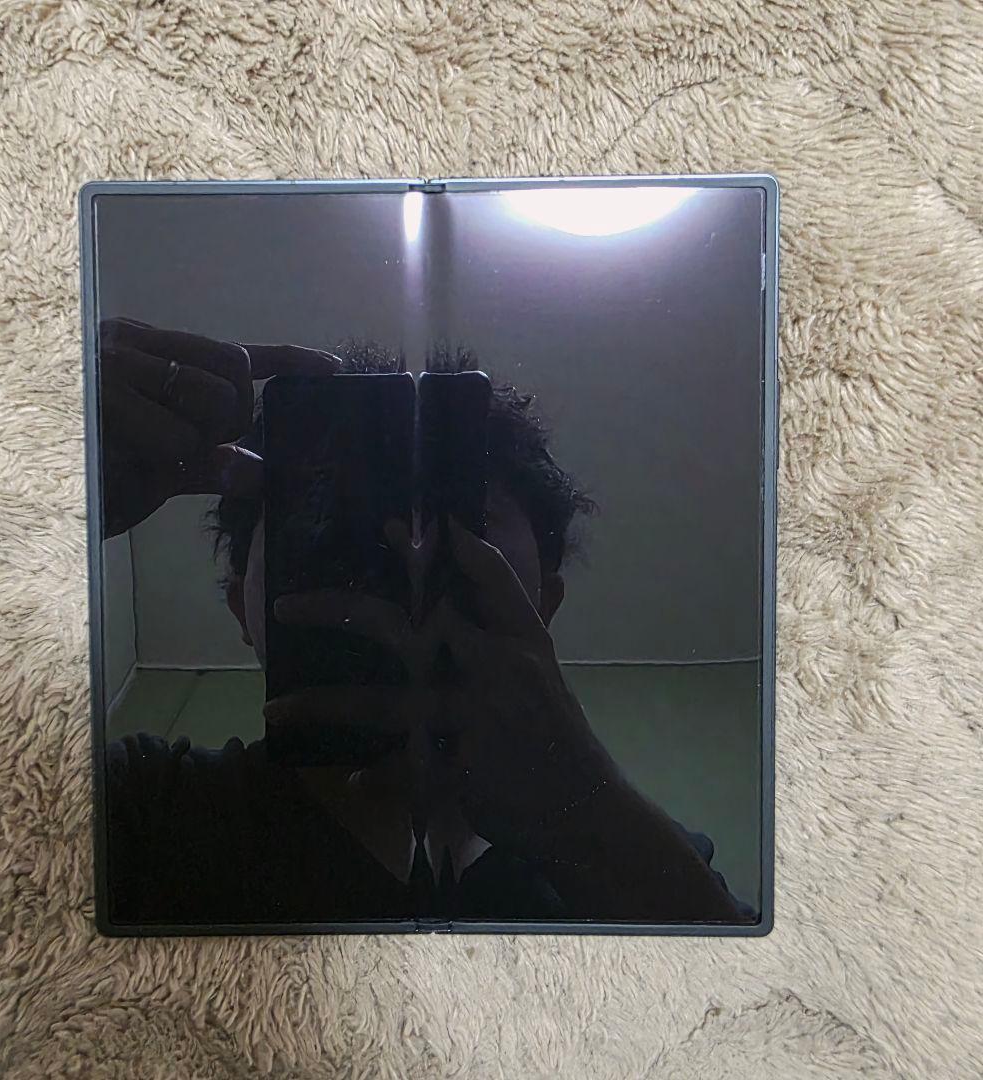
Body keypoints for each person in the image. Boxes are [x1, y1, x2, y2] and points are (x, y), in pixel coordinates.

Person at [99, 318, 753, 926]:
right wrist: (45, 489)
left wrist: (584, 815)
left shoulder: (642, 856)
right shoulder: (133, 807)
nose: (406, 554)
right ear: (242, 606)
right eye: (341, 526)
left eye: (456, 513)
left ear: (543, 605)